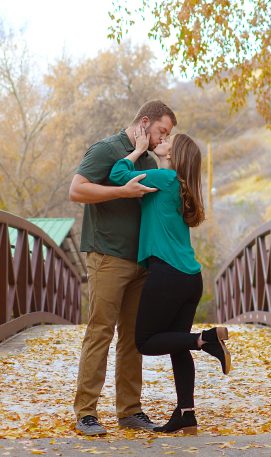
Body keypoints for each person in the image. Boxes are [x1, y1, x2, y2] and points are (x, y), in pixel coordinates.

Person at [109, 129, 231, 434]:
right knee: (177, 346)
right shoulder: (179, 186)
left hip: (167, 275)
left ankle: (205, 340)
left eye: (168, 142)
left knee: (144, 341)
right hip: (190, 279)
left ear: (173, 155)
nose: (162, 141)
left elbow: (117, 173)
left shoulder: (163, 179)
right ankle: (186, 415)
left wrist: (137, 150)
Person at [69, 100, 177, 436]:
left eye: (168, 135)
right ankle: (86, 412)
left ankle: (130, 410)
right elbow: (77, 190)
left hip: (140, 262)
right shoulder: (107, 149)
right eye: (162, 131)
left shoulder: (145, 158)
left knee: (132, 338)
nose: (163, 138)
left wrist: (164, 158)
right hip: (107, 257)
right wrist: (121, 191)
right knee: (100, 332)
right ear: (145, 122)